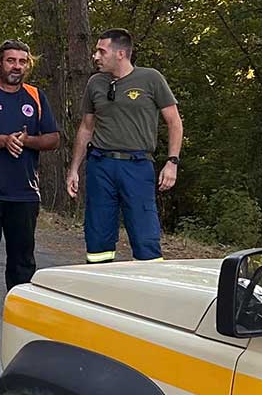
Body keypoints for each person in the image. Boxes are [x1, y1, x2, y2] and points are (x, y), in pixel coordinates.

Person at [0, 41, 61, 324]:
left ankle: (19, 304)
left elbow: (53, 138)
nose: (17, 66)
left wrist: (27, 141)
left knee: (22, 254)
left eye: (22, 61)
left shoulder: (35, 96)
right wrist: (4, 141)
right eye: (11, 61)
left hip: (25, 190)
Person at [65, 28, 183, 263]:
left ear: (120, 53)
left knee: (145, 235)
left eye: (101, 51)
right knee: (97, 234)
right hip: (101, 165)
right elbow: (86, 127)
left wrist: (172, 162)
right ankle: (100, 285)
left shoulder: (151, 78)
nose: (95, 56)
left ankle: (149, 291)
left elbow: (174, 122)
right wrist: (74, 169)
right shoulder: (95, 83)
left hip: (137, 166)